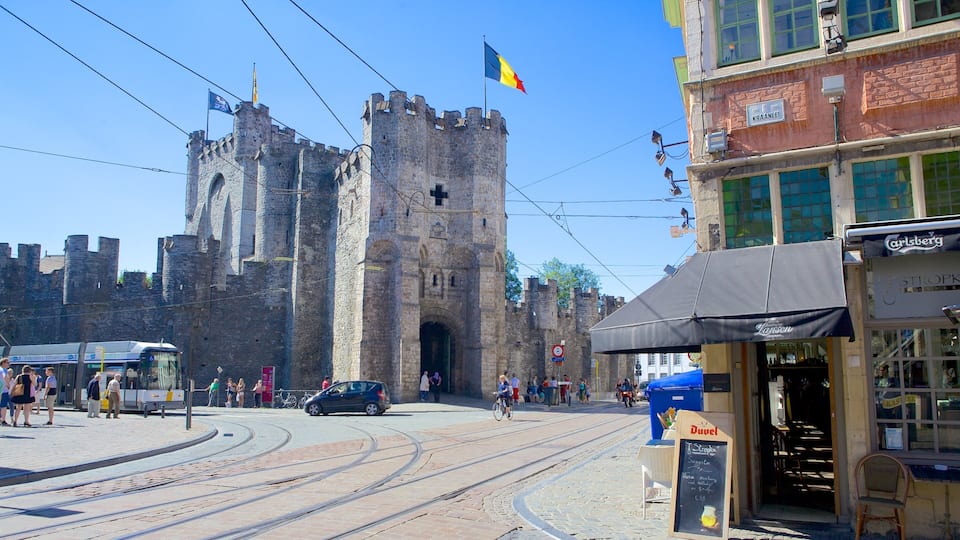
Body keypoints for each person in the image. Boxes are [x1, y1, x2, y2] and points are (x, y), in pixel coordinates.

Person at [0, 357, 12, 426]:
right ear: (3, 363)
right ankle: (3, 420)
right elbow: (5, 377)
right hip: (3, 390)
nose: (9, 364)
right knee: (3, 406)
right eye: (8, 363)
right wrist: (8, 385)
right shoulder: (4, 370)